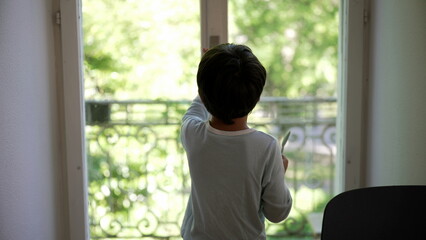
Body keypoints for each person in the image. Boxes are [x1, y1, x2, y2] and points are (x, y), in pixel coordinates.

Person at [180, 43, 292, 240]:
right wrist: (279, 173)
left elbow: (195, 110)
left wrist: (209, 75)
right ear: (255, 98)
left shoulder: (192, 134)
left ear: (203, 94)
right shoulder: (266, 147)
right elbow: (277, 213)